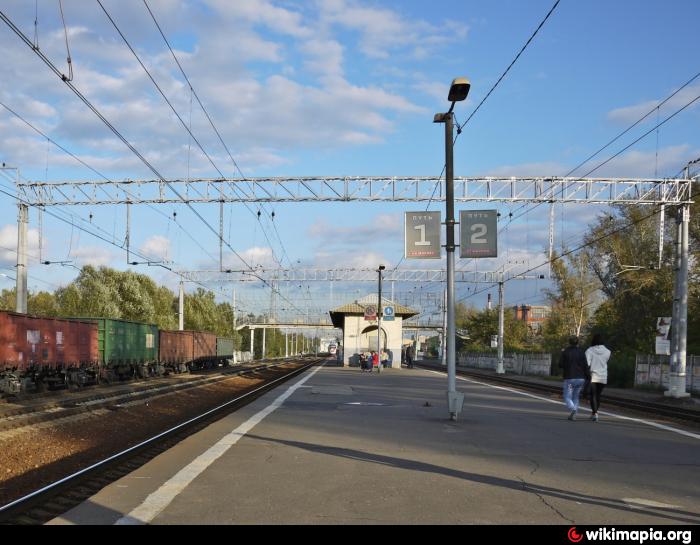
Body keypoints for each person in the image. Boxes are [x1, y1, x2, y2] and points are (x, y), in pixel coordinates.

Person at [558, 336, 590, 421]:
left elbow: (560, 364)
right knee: (576, 397)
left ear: (569, 342)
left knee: (567, 396)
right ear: (577, 342)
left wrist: (567, 364)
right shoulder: (581, 352)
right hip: (580, 378)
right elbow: (585, 365)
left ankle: (573, 409)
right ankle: (573, 415)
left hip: (569, 377)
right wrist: (588, 376)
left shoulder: (565, 352)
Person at [586, 333, 611, 422]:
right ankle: (594, 413)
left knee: (593, 395)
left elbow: (587, 364)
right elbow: (605, 361)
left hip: (593, 375)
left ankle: (595, 413)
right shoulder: (608, 351)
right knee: (598, 395)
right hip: (603, 376)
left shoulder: (589, 350)